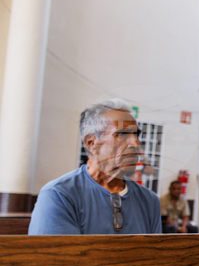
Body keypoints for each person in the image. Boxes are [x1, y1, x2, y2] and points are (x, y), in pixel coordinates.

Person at [29, 100, 161, 235]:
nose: (135, 143)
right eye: (122, 134)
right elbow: (60, 255)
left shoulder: (149, 200)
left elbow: (156, 254)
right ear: (91, 143)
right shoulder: (59, 194)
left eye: (136, 135)